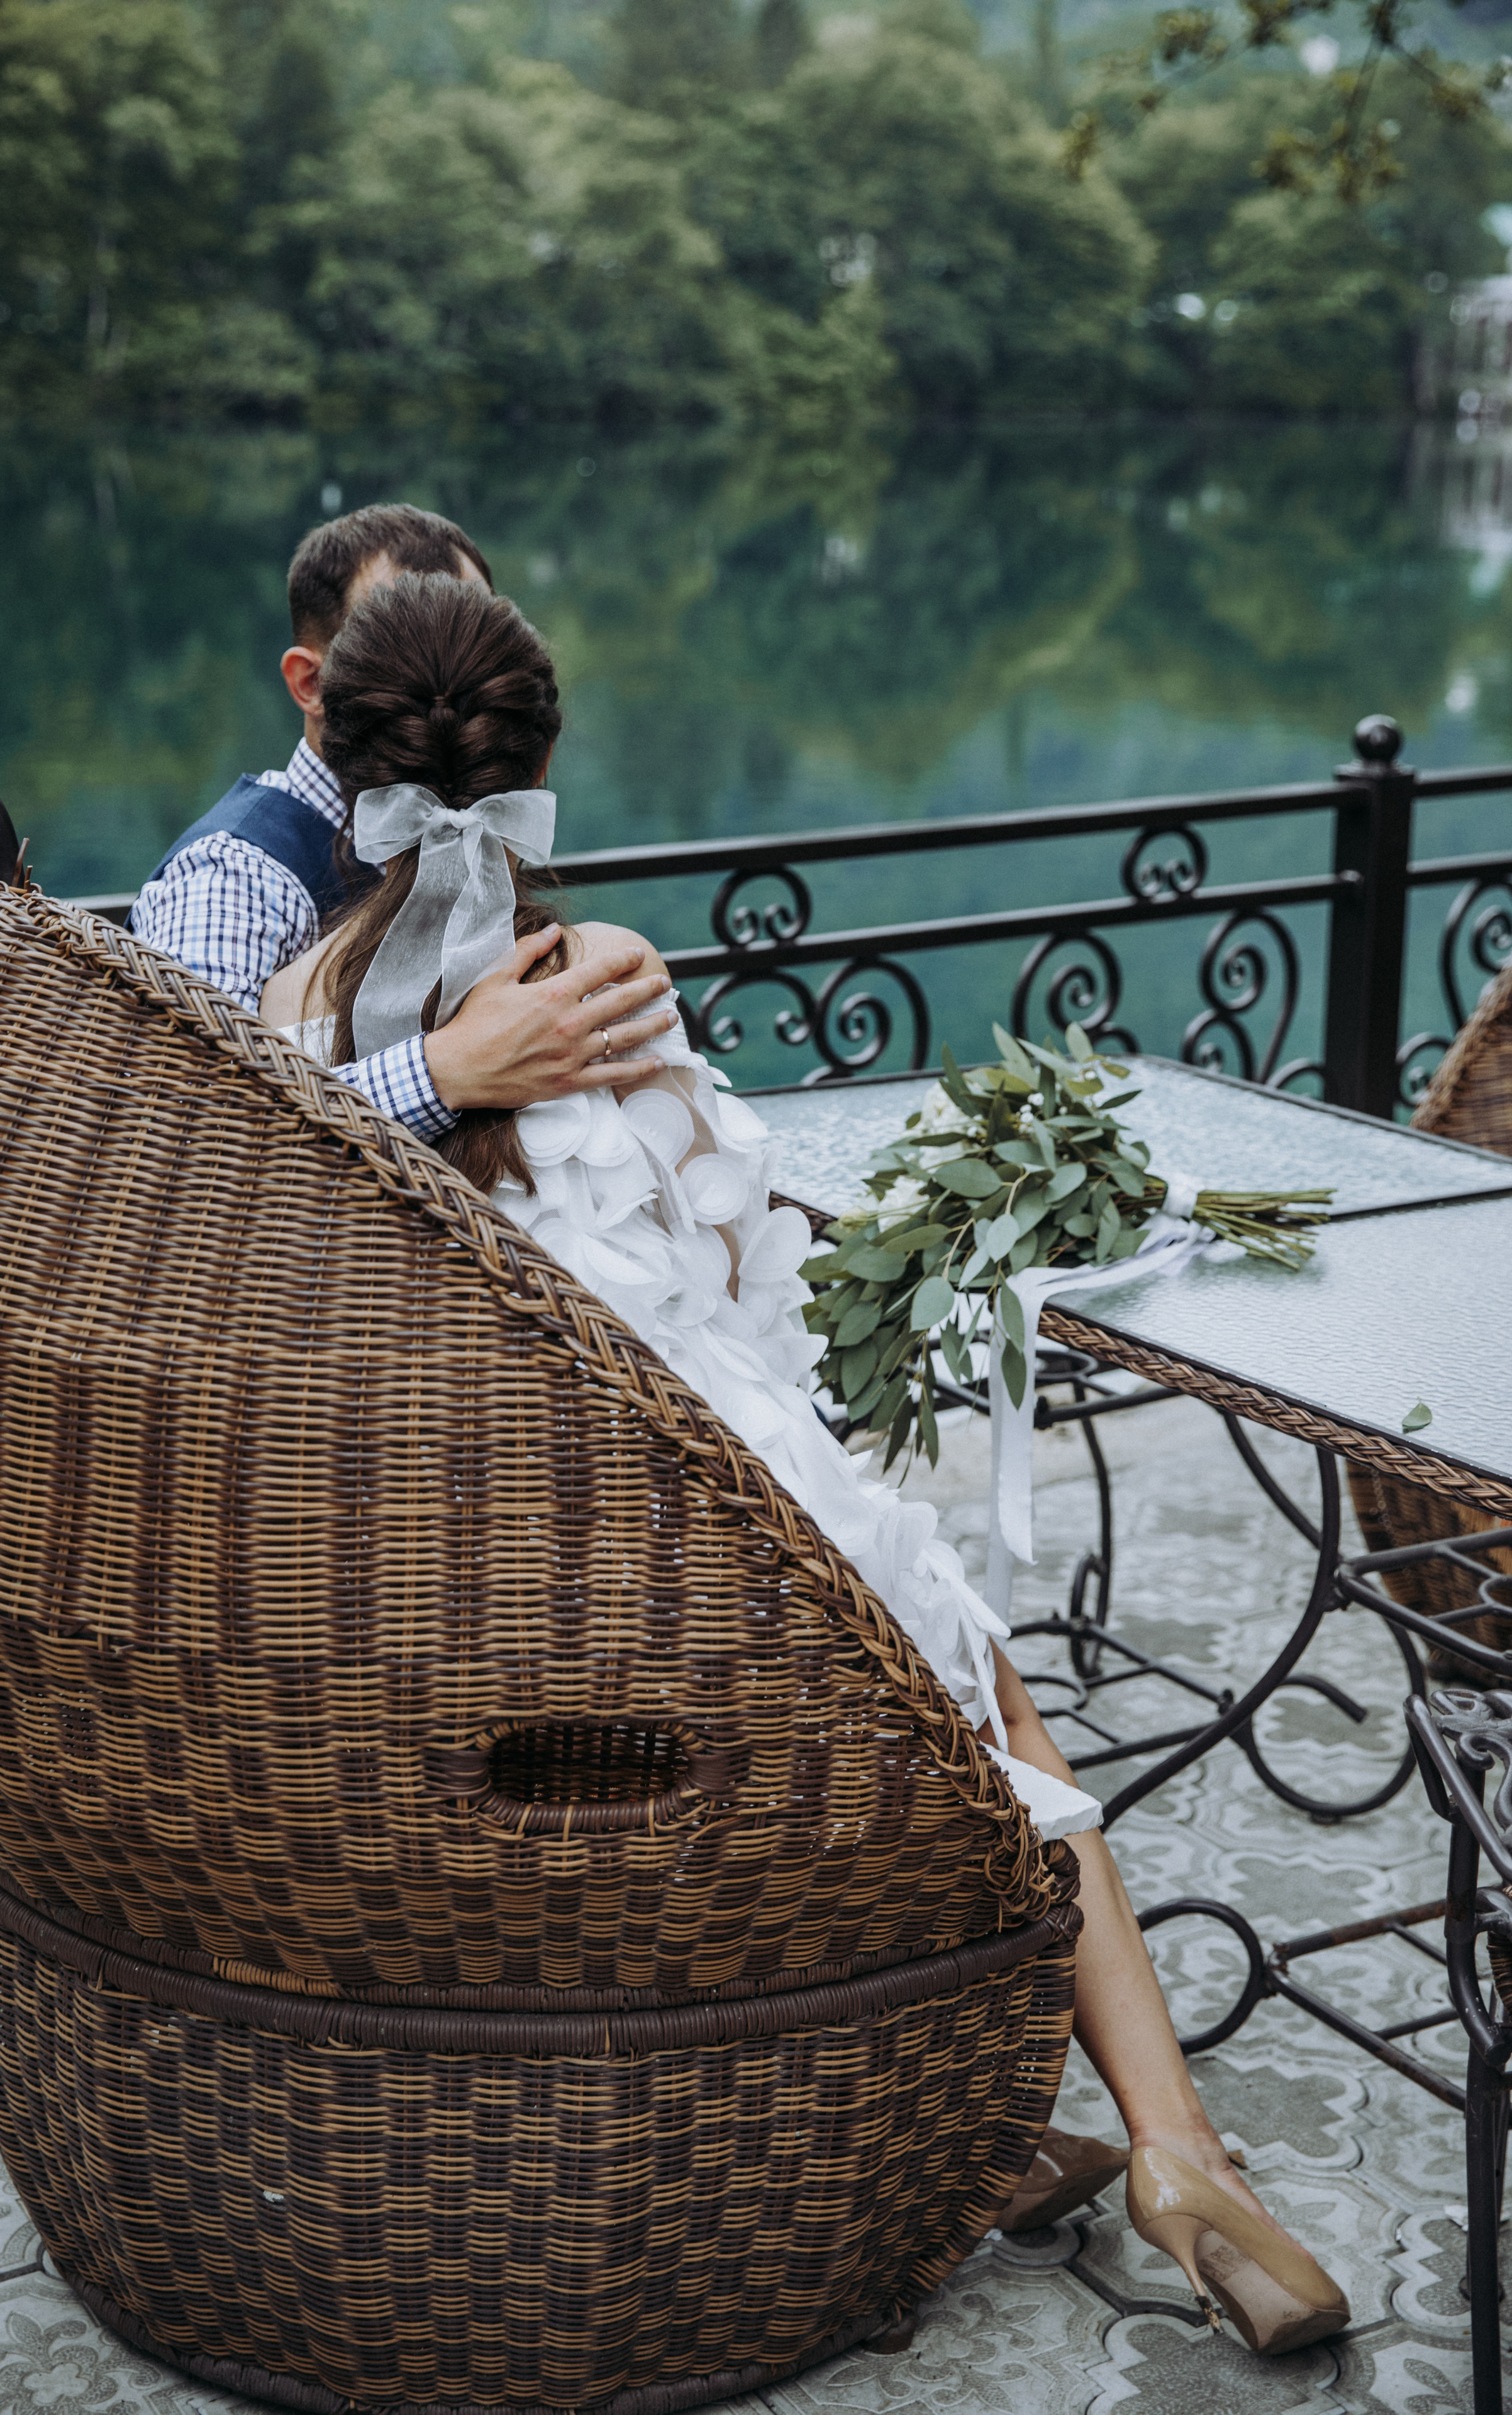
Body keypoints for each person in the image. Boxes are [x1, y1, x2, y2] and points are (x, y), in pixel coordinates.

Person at [260, 570, 1352, 2363]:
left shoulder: (277, 1032)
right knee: (966, 1662)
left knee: (883, 1644)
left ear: (332, 744)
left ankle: (973, 2120)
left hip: (430, 1625)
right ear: (542, 769)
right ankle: (1177, 2147)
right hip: (725, 1620)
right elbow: (751, 1314)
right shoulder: (605, 994)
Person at [131, 502, 675, 1138]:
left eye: (468, 629)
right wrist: (445, 1070)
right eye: (389, 636)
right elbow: (185, 1115)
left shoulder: (477, 845)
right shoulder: (238, 874)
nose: (442, 674)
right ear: (311, 684)